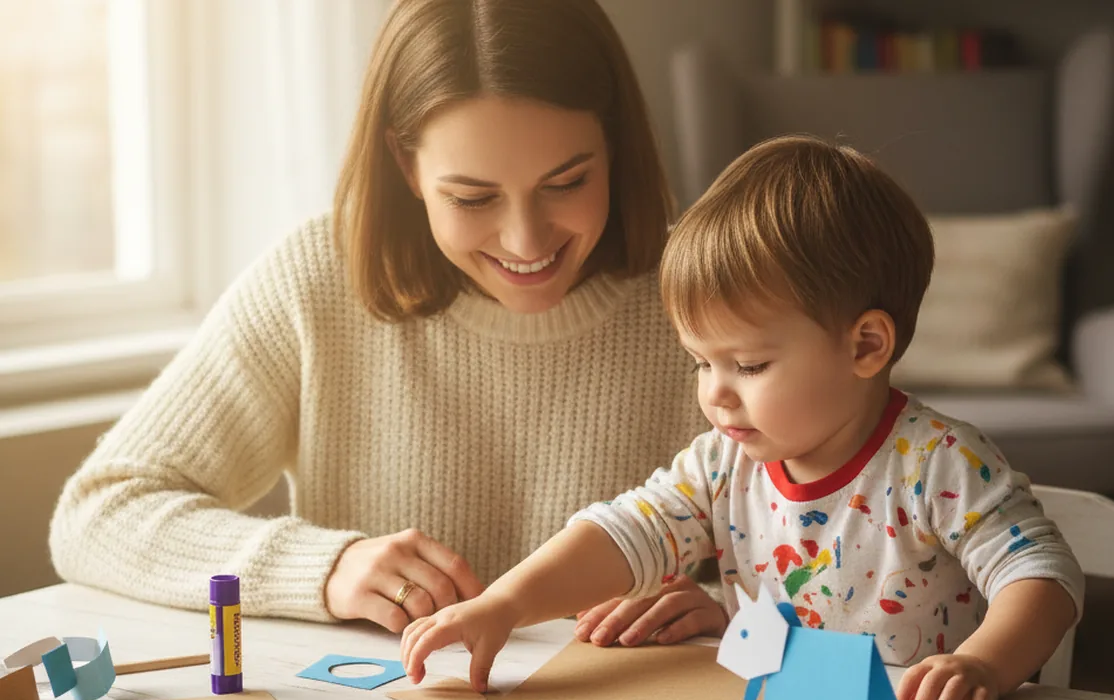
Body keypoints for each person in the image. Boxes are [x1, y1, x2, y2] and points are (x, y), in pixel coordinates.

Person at [49, 0, 726, 643]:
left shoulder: (711, 293)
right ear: (405, 165)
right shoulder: (318, 279)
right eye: (472, 196)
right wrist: (327, 568)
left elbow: (826, 547)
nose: (525, 241)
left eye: (567, 182)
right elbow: (98, 514)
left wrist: (734, 606)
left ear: (614, 145)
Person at [400, 135, 1085, 700]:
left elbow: (1043, 578)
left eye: (750, 364)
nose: (715, 392)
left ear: (866, 345)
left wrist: (982, 666)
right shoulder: (724, 463)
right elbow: (623, 532)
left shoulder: (940, 465)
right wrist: (504, 604)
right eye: (702, 362)